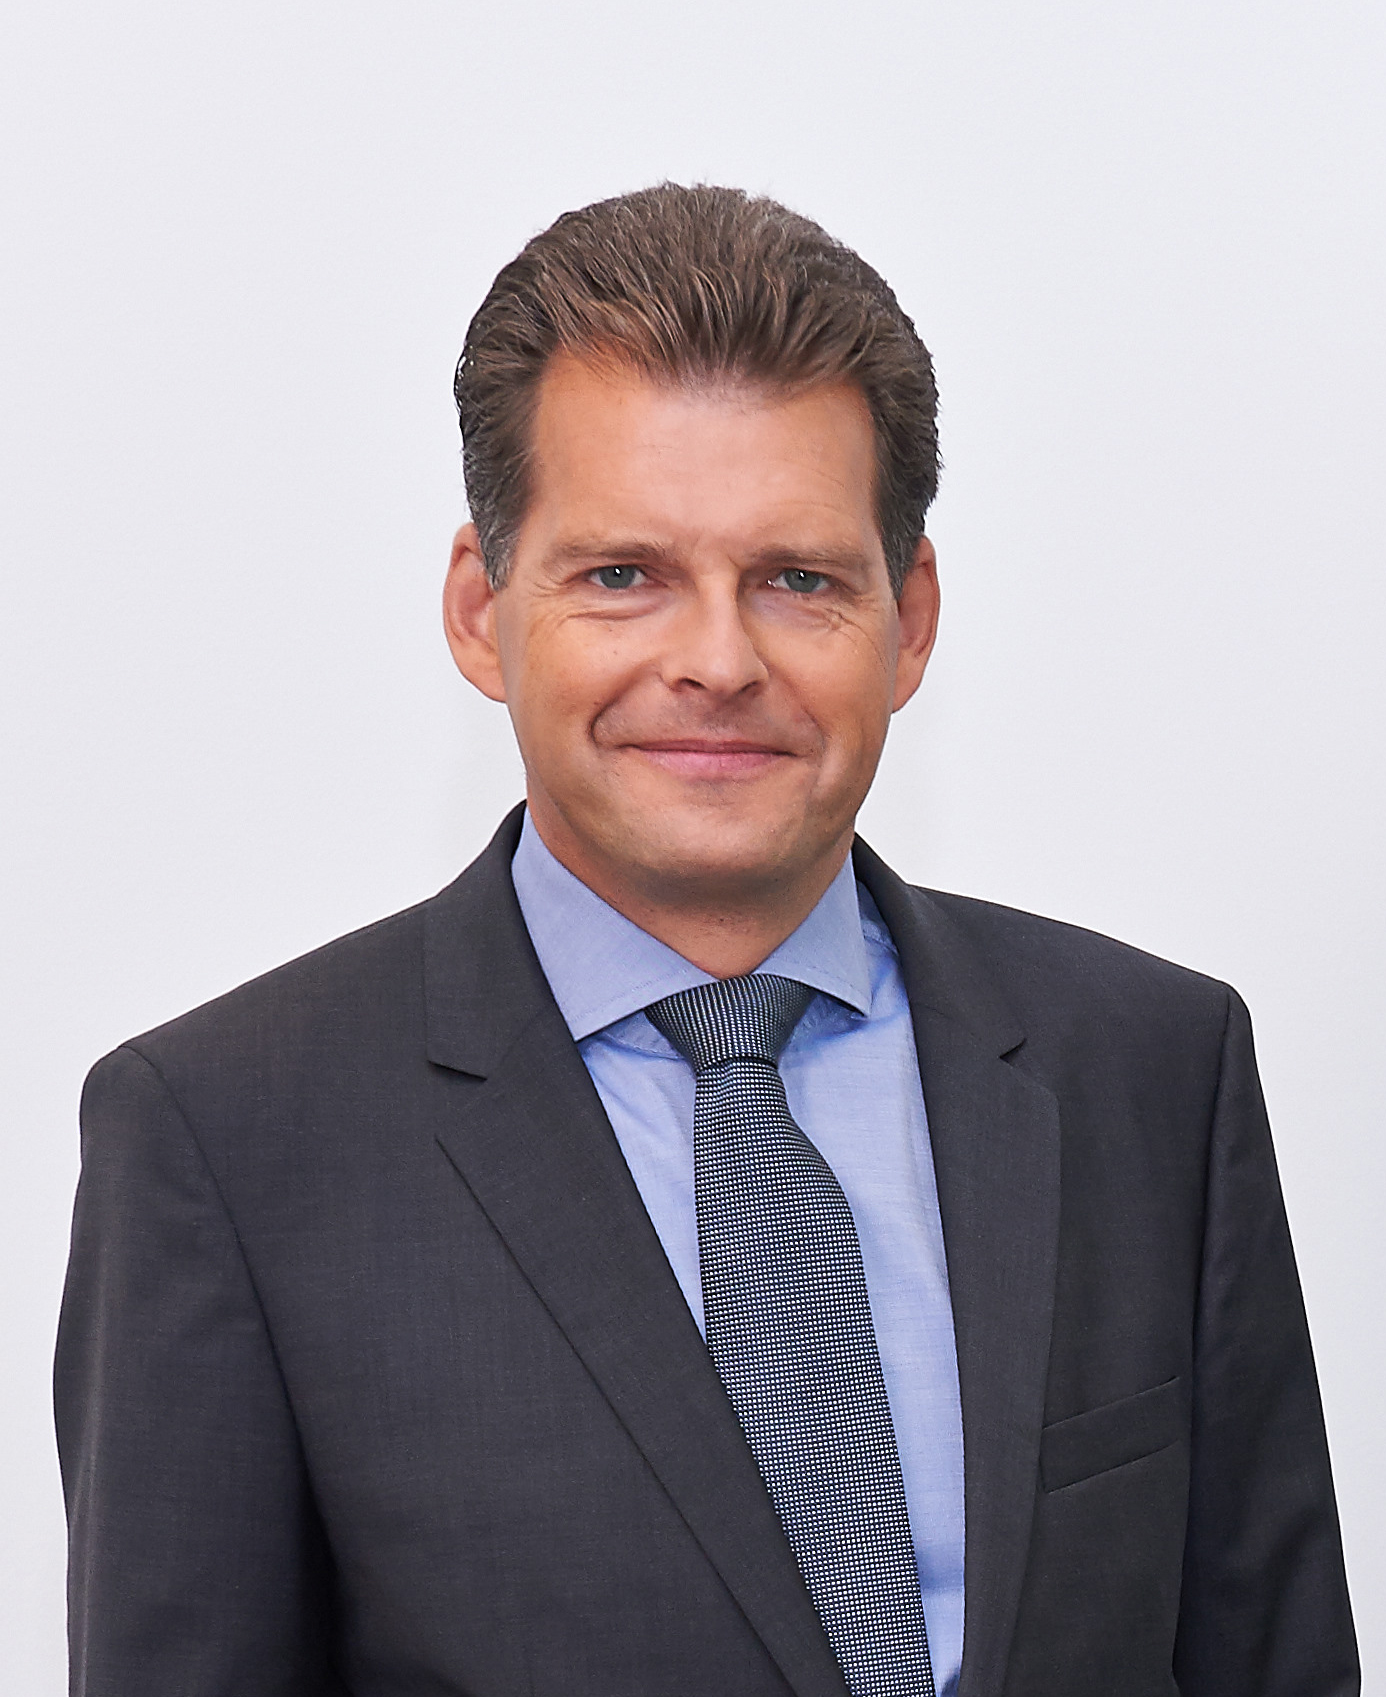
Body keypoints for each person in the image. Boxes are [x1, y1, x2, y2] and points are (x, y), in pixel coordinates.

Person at [55, 183, 1358, 1697]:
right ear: (482, 613)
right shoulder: (227, 1138)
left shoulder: (1150, 1069)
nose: (718, 661)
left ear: (907, 619)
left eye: (797, 579)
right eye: (624, 576)